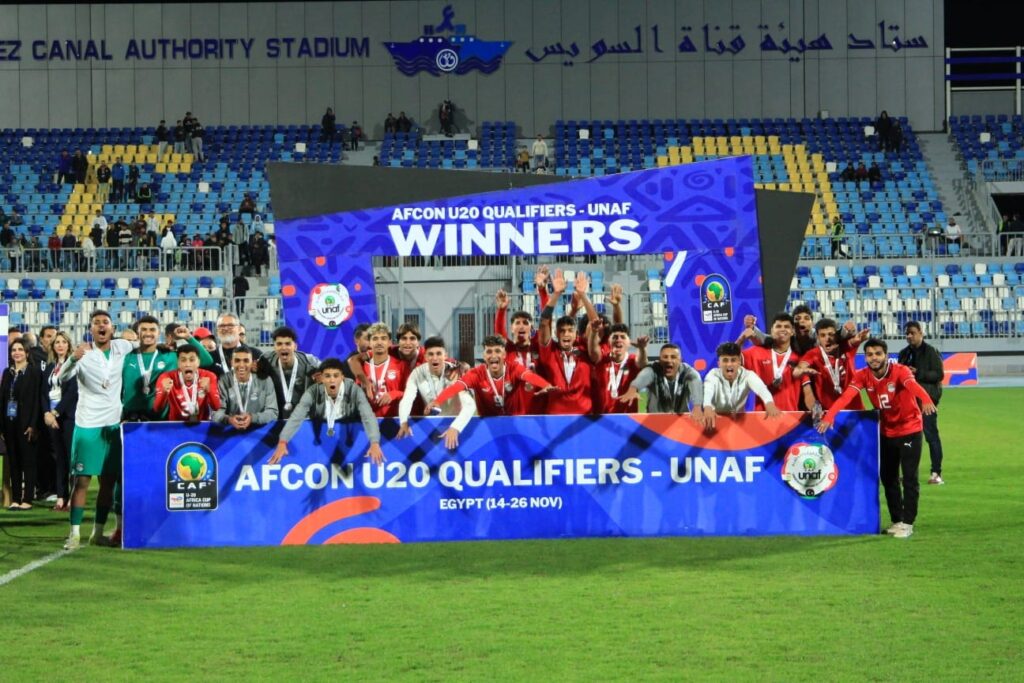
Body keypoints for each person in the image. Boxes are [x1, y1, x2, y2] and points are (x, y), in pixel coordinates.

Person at [818, 339, 937, 539]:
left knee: (909, 478)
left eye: (878, 354)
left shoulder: (900, 371)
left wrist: (925, 399)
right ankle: (897, 520)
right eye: (870, 354)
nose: (874, 358)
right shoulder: (863, 375)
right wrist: (830, 416)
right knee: (888, 477)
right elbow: (846, 397)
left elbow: (913, 386)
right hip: (887, 432)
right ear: (865, 357)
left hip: (909, 430)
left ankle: (908, 524)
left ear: (886, 355)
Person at [57, 311, 134, 549]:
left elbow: (145, 345)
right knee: (81, 480)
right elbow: (61, 378)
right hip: (88, 424)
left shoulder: (122, 347)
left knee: (108, 481)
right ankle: (74, 534)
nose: (101, 326)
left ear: (112, 328)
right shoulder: (83, 354)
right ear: (90, 329)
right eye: (96, 323)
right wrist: (72, 359)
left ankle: (97, 533)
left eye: (105, 323)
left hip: (113, 424)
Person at [269, 358, 384, 465]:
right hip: (320, 429)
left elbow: (368, 416)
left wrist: (374, 442)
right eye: (327, 376)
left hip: (348, 428)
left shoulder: (354, 390)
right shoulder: (312, 392)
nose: (332, 380)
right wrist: (283, 441)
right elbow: (297, 417)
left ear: (342, 377)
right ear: (321, 378)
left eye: (336, 376)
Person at [429, 335, 552, 422]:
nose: (493, 355)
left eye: (497, 351)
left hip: (515, 423)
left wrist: (546, 385)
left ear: (504, 355)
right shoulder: (476, 374)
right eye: (489, 352)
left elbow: (530, 376)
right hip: (487, 426)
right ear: (484, 356)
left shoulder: (514, 368)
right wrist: (437, 401)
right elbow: (456, 387)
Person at [122, 317, 214, 421]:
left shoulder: (170, 357)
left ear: (159, 333)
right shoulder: (126, 357)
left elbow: (207, 361)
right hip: (131, 420)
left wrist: (189, 337)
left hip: (162, 420)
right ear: (137, 333)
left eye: (152, 330)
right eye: (144, 329)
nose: (148, 333)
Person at [396, 337, 475, 450]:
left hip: (457, 425)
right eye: (431, 354)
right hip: (431, 427)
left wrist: (456, 427)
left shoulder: (455, 372)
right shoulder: (417, 373)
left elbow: (470, 405)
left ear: (445, 355)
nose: (435, 358)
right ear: (425, 356)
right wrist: (403, 421)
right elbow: (407, 399)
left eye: (438, 353)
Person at [537, 269, 597, 414]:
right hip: (556, 416)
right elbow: (544, 322)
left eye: (570, 330)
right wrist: (556, 294)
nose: (566, 334)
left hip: (585, 416)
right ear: (556, 333)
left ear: (576, 334)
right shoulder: (549, 352)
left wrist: (583, 295)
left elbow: (595, 323)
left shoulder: (584, 349)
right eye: (562, 331)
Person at [898, 321, 945, 485]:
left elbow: (939, 374)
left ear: (921, 333)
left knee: (931, 436)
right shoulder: (904, 353)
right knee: (908, 439)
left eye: (912, 333)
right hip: (908, 402)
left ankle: (936, 473)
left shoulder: (931, 351)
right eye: (907, 333)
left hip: (927, 402)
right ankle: (909, 473)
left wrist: (917, 373)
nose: (909, 336)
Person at [798, 318, 868, 420]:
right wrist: (801, 370)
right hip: (829, 413)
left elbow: (856, 339)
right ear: (818, 337)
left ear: (837, 336)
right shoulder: (813, 354)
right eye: (823, 335)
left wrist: (856, 333)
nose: (827, 338)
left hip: (854, 412)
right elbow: (801, 368)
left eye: (831, 334)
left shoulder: (846, 347)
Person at [701, 342, 780, 431]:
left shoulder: (748, 375)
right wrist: (707, 407)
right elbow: (708, 391)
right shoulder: (712, 375)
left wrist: (769, 403)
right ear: (719, 363)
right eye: (725, 360)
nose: (729, 364)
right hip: (715, 421)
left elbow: (762, 389)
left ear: (739, 362)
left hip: (739, 423)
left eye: (733, 360)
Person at [1, 339, 42, 510]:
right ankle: (16, 499)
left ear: (27, 353)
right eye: (13, 350)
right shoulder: (7, 373)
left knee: (28, 462)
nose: (16, 352)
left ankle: (27, 499)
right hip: (9, 424)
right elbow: (2, 399)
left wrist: (33, 424)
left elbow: (37, 400)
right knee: (14, 462)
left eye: (20, 349)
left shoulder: (34, 372)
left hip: (26, 424)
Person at [738, 312, 805, 411]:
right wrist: (741, 339)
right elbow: (732, 359)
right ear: (772, 331)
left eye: (786, 326)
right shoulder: (757, 352)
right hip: (762, 416)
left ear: (792, 332)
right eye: (778, 326)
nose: (782, 329)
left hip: (790, 416)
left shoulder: (800, 358)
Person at [618, 343, 704, 418]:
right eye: (665, 357)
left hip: (681, 421)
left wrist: (697, 405)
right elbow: (645, 374)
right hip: (655, 421)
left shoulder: (687, 371)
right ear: (660, 359)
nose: (669, 360)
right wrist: (633, 388)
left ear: (680, 360)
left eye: (673, 357)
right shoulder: (654, 369)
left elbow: (695, 380)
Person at [42, 331, 77, 512]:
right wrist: (47, 413)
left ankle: (73, 498)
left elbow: (73, 393)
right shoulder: (50, 367)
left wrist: (55, 413)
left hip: (68, 416)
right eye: (57, 342)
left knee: (72, 459)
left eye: (63, 342)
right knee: (59, 459)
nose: (60, 345)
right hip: (52, 418)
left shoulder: (74, 365)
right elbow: (43, 392)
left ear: (68, 345)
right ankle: (61, 497)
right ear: (53, 346)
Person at [258, 326, 320, 420]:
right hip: (275, 420)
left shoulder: (310, 362)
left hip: (303, 421)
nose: (283, 347)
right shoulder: (266, 361)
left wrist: (324, 377)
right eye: (279, 344)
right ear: (274, 347)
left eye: (288, 344)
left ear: (295, 346)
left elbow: (329, 372)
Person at [211, 346, 278, 430]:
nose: (241, 365)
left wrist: (252, 418)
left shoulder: (265, 381)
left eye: (246, 361)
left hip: (258, 433)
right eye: (237, 360)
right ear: (231, 362)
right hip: (230, 432)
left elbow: (273, 412)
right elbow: (216, 413)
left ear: (252, 363)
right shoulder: (223, 381)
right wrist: (229, 419)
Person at [588, 323, 648, 414]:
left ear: (629, 342)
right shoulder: (602, 359)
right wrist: (593, 332)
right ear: (609, 341)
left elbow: (643, 363)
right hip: (602, 417)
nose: (618, 340)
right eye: (615, 337)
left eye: (623, 337)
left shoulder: (632, 360)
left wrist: (642, 349)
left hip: (628, 417)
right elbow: (593, 352)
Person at [152, 345, 221, 423]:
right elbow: (157, 409)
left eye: (192, 360)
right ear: (178, 362)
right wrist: (164, 392)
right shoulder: (166, 377)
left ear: (198, 362)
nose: (187, 364)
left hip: (202, 425)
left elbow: (216, 407)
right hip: (176, 426)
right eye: (183, 360)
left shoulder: (209, 376)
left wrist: (209, 390)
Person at [361, 323, 406, 418]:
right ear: (369, 343)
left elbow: (410, 393)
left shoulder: (401, 366)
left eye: (383, 338)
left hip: (395, 421)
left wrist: (394, 394)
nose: (379, 342)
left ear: (390, 342)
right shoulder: (363, 367)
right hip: (369, 421)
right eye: (375, 339)